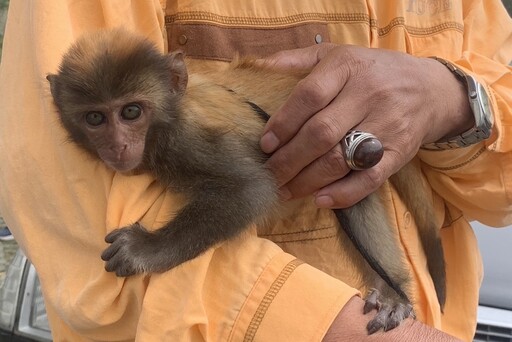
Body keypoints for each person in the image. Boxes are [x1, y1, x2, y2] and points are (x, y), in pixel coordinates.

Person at [0, 1, 510, 341]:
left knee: (349, 185)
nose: (117, 144)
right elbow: (73, 217)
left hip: (438, 317)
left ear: (174, 84)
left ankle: (392, 290)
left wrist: (455, 99)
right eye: (95, 120)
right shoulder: (161, 111)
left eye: (132, 113)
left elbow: (498, 197)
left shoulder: (180, 131)